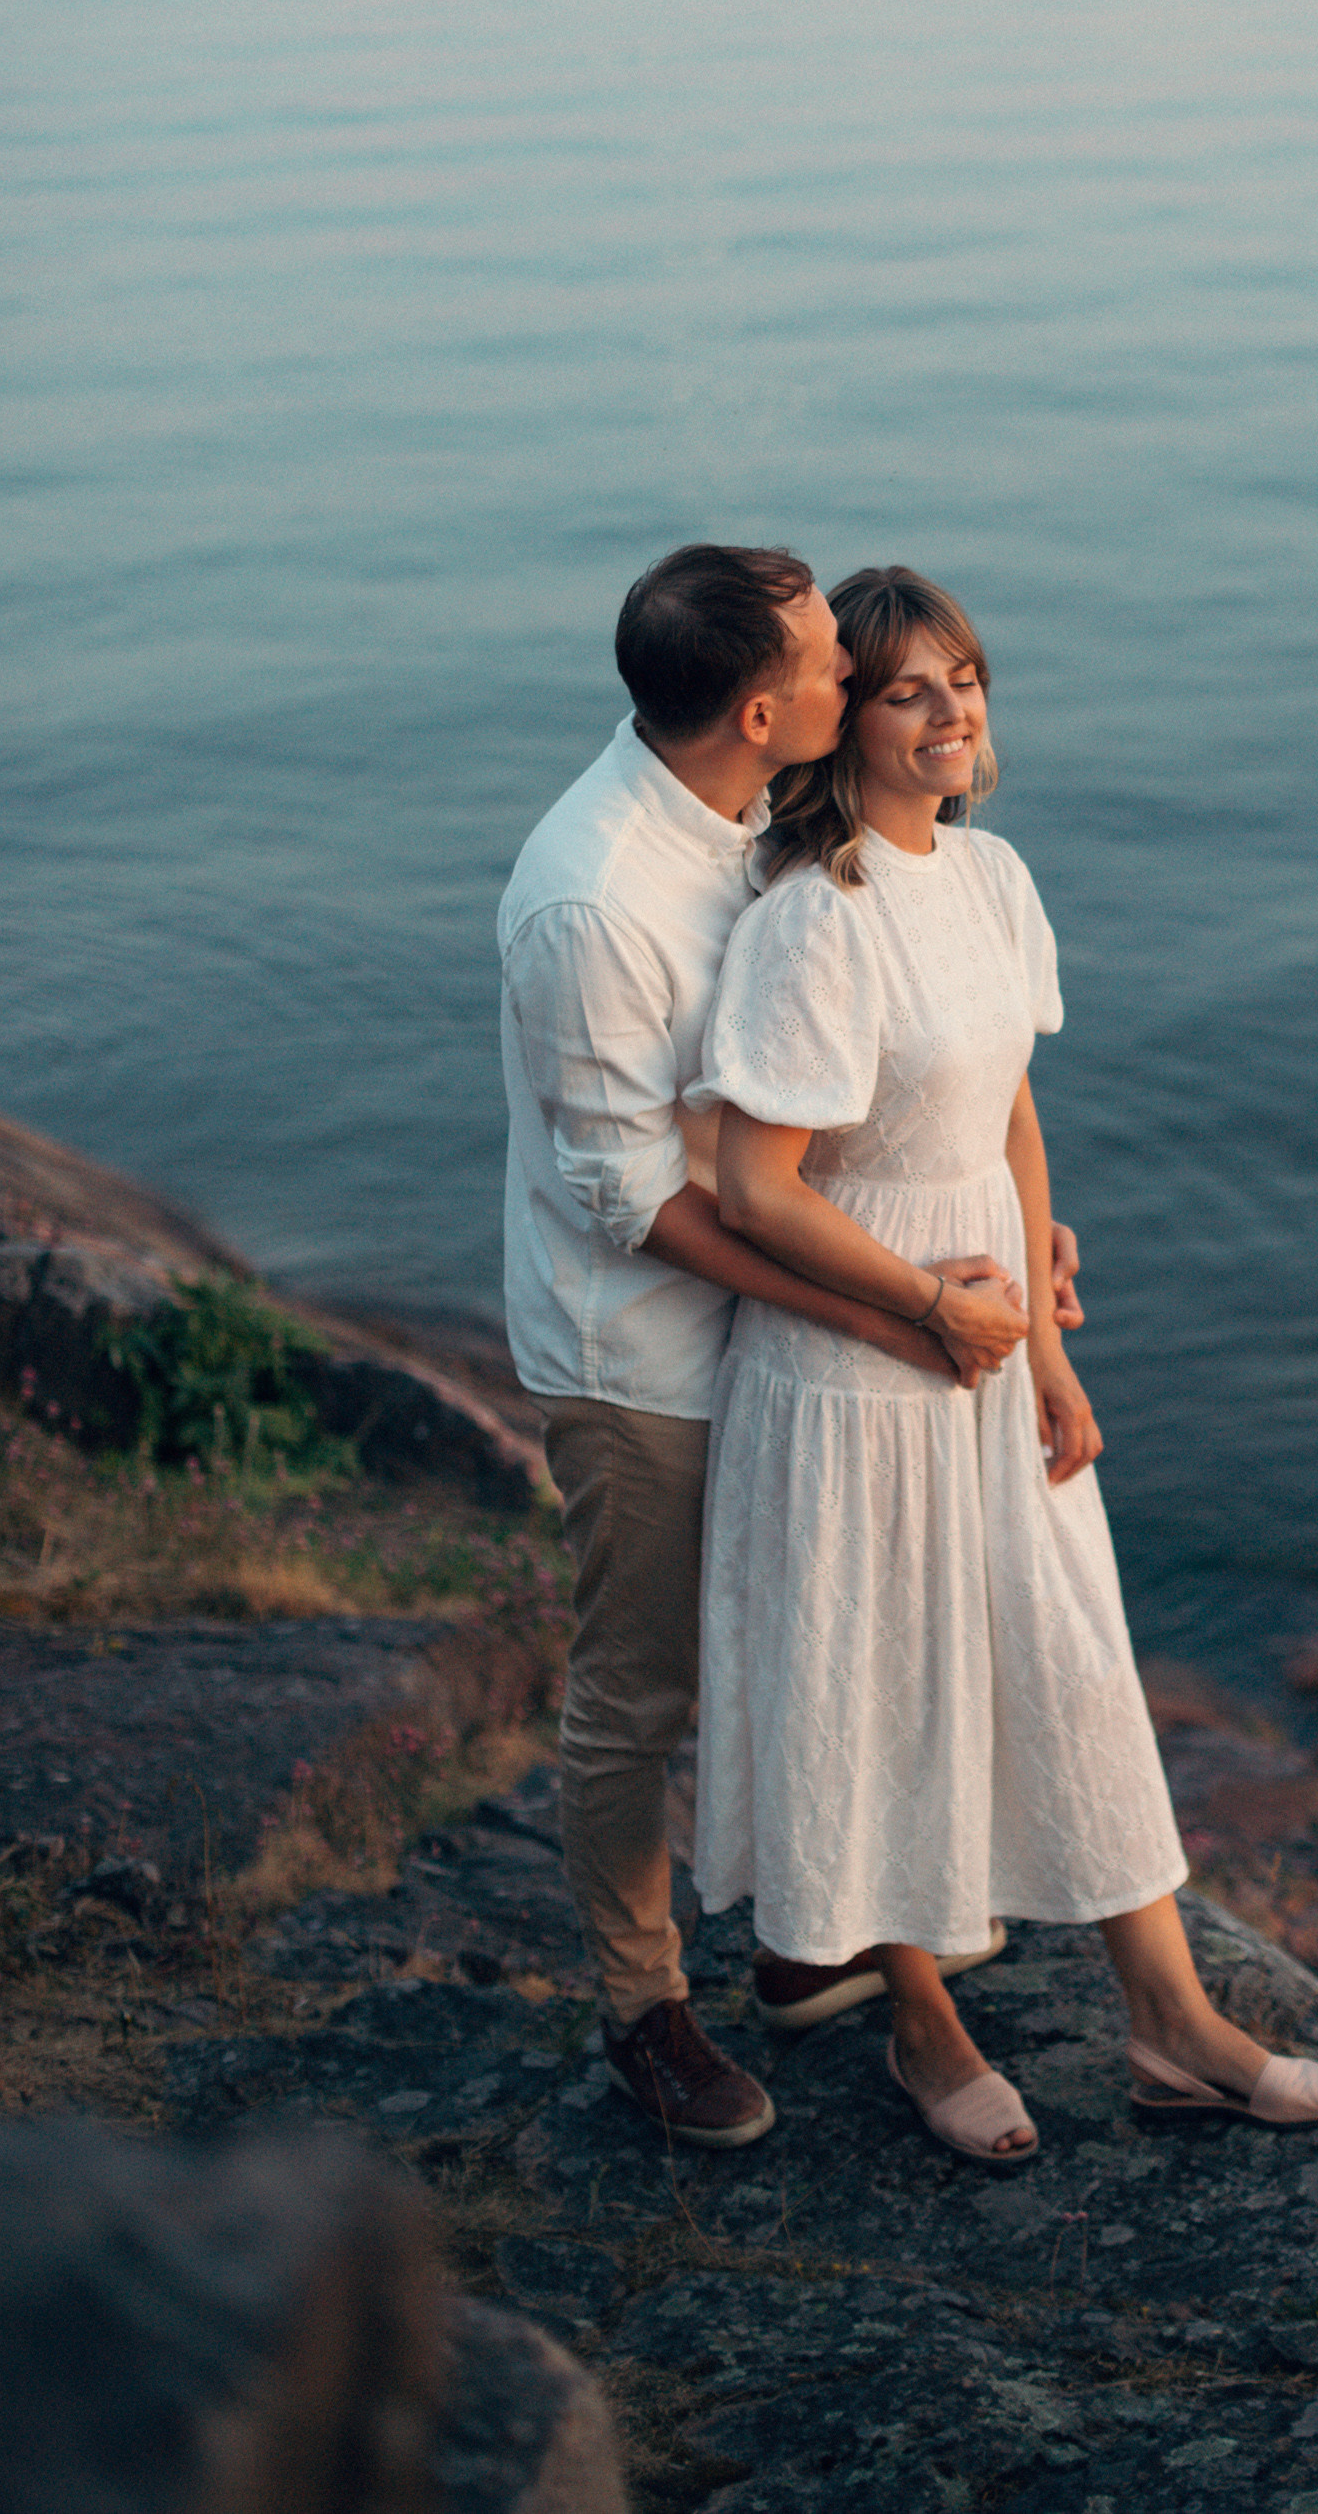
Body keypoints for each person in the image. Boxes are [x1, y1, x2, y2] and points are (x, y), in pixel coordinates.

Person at [685, 566, 1318, 2164]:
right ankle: (921, 2025)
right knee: (871, 1681)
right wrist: (926, 1301)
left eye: (967, 679)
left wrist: (1047, 1349)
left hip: (990, 1343)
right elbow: (754, 1184)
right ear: (846, 721)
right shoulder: (811, 921)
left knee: (1069, 1662)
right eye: (910, 687)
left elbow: (1006, 1112)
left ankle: (1172, 2027)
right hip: (852, 1361)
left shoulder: (989, 880)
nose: (952, 710)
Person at [498, 542, 1060, 2148]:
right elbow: (634, 1199)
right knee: (646, 1686)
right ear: (763, 710)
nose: (854, 675)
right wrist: (900, 1303)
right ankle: (643, 2006)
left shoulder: (754, 815)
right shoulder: (591, 902)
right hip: (649, 1354)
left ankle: (818, 1943)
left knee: (828, 1640)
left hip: (797, 1321)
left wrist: (997, 1233)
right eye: (831, 666)